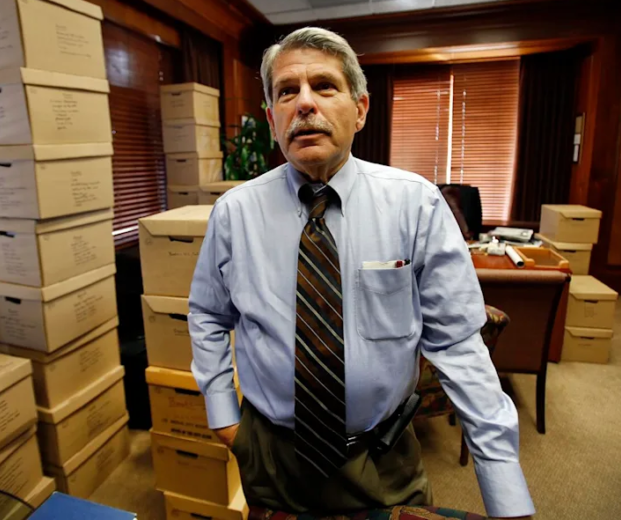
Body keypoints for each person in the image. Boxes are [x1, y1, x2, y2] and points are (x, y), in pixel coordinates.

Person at [188, 27, 535, 519]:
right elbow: (206, 314)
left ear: (361, 109)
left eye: (324, 86)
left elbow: (457, 344)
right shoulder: (234, 213)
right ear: (271, 118)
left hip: (382, 456)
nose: (304, 103)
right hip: (271, 456)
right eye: (287, 91)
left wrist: (506, 495)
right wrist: (224, 415)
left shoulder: (415, 204)